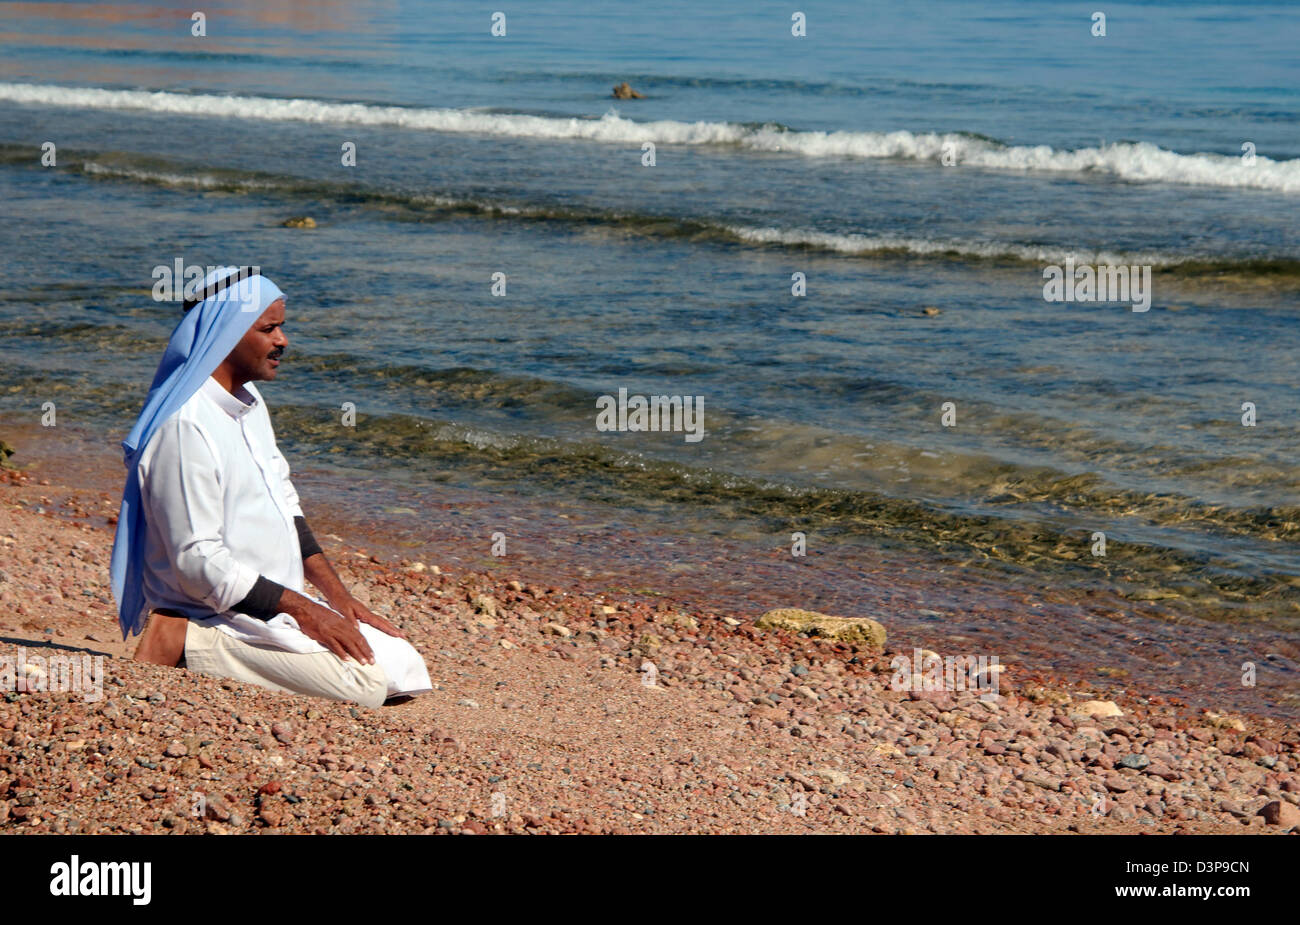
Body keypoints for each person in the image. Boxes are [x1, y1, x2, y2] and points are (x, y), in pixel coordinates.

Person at [110, 266, 431, 707]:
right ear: (225, 335)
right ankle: (182, 638)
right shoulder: (186, 426)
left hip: (271, 605)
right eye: (269, 328)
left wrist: (340, 602)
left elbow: (286, 506)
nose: (283, 341)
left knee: (404, 666)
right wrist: (305, 609)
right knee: (365, 686)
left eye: (281, 326)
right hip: (214, 609)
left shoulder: (250, 402)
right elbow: (196, 561)